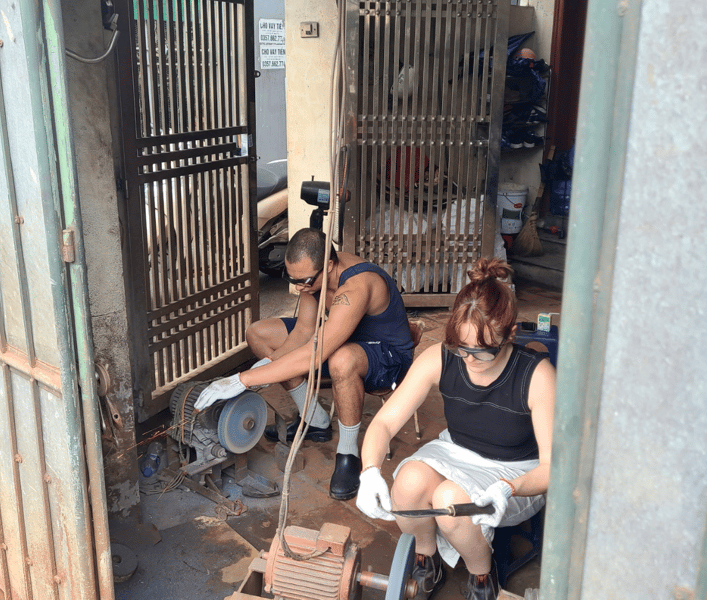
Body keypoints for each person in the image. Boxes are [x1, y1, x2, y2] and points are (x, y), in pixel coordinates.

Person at [354, 257, 555, 600]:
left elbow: (553, 468)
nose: (471, 360)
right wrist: (369, 471)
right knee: (407, 483)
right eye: (461, 349)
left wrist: (511, 487)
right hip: (456, 450)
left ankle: (482, 574)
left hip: (514, 470)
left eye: (483, 352)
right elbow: (386, 422)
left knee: (449, 499)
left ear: (510, 335)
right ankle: (426, 557)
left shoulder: (536, 376)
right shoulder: (441, 357)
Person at [194, 228, 414, 500]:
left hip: (386, 355)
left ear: (329, 266)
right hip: (339, 338)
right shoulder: (312, 277)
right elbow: (303, 332)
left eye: (304, 281)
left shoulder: (357, 286)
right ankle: (315, 420)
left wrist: (242, 380)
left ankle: (348, 454)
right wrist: (264, 367)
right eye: (292, 279)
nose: (299, 288)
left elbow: (315, 352)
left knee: (340, 360)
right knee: (259, 334)